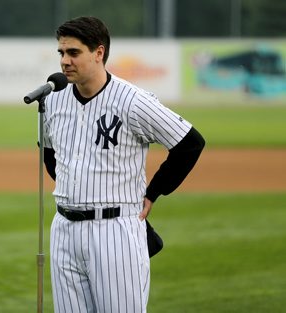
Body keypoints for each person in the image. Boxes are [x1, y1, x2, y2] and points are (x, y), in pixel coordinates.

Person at [41, 16, 205, 313]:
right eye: (61, 53)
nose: (64, 61)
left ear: (99, 53)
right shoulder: (53, 100)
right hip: (63, 229)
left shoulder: (133, 101)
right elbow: (51, 154)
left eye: (73, 53)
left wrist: (154, 192)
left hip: (114, 231)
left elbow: (190, 143)